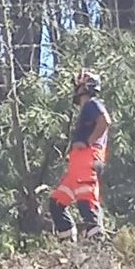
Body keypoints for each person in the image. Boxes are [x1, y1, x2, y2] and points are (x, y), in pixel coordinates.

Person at [49, 70, 112, 242]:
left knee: (87, 201)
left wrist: (90, 141)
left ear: (85, 86)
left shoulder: (93, 104)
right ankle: (68, 243)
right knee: (57, 203)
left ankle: (97, 249)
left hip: (87, 159)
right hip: (77, 163)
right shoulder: (86, 108)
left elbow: (105, 121)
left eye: (78, 84)